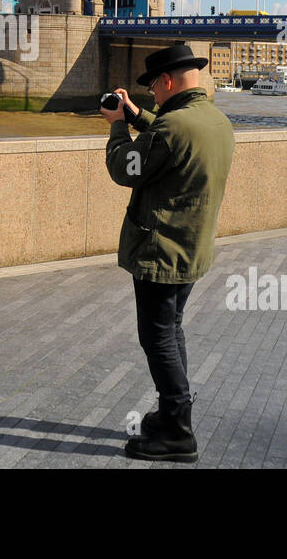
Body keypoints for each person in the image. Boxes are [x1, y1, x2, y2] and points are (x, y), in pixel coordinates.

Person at [100, 42, 235, 462]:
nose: (152, 94)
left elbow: (125, 168)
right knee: (172, 329)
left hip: (161, 249)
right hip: (192, 249)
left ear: (167, 81)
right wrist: (137, 114)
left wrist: (117, 126)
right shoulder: (214, 119)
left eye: (153, 87)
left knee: (156, 336)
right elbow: (168, 135)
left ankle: (178, 431)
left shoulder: (172, 129)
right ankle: (173, 412)